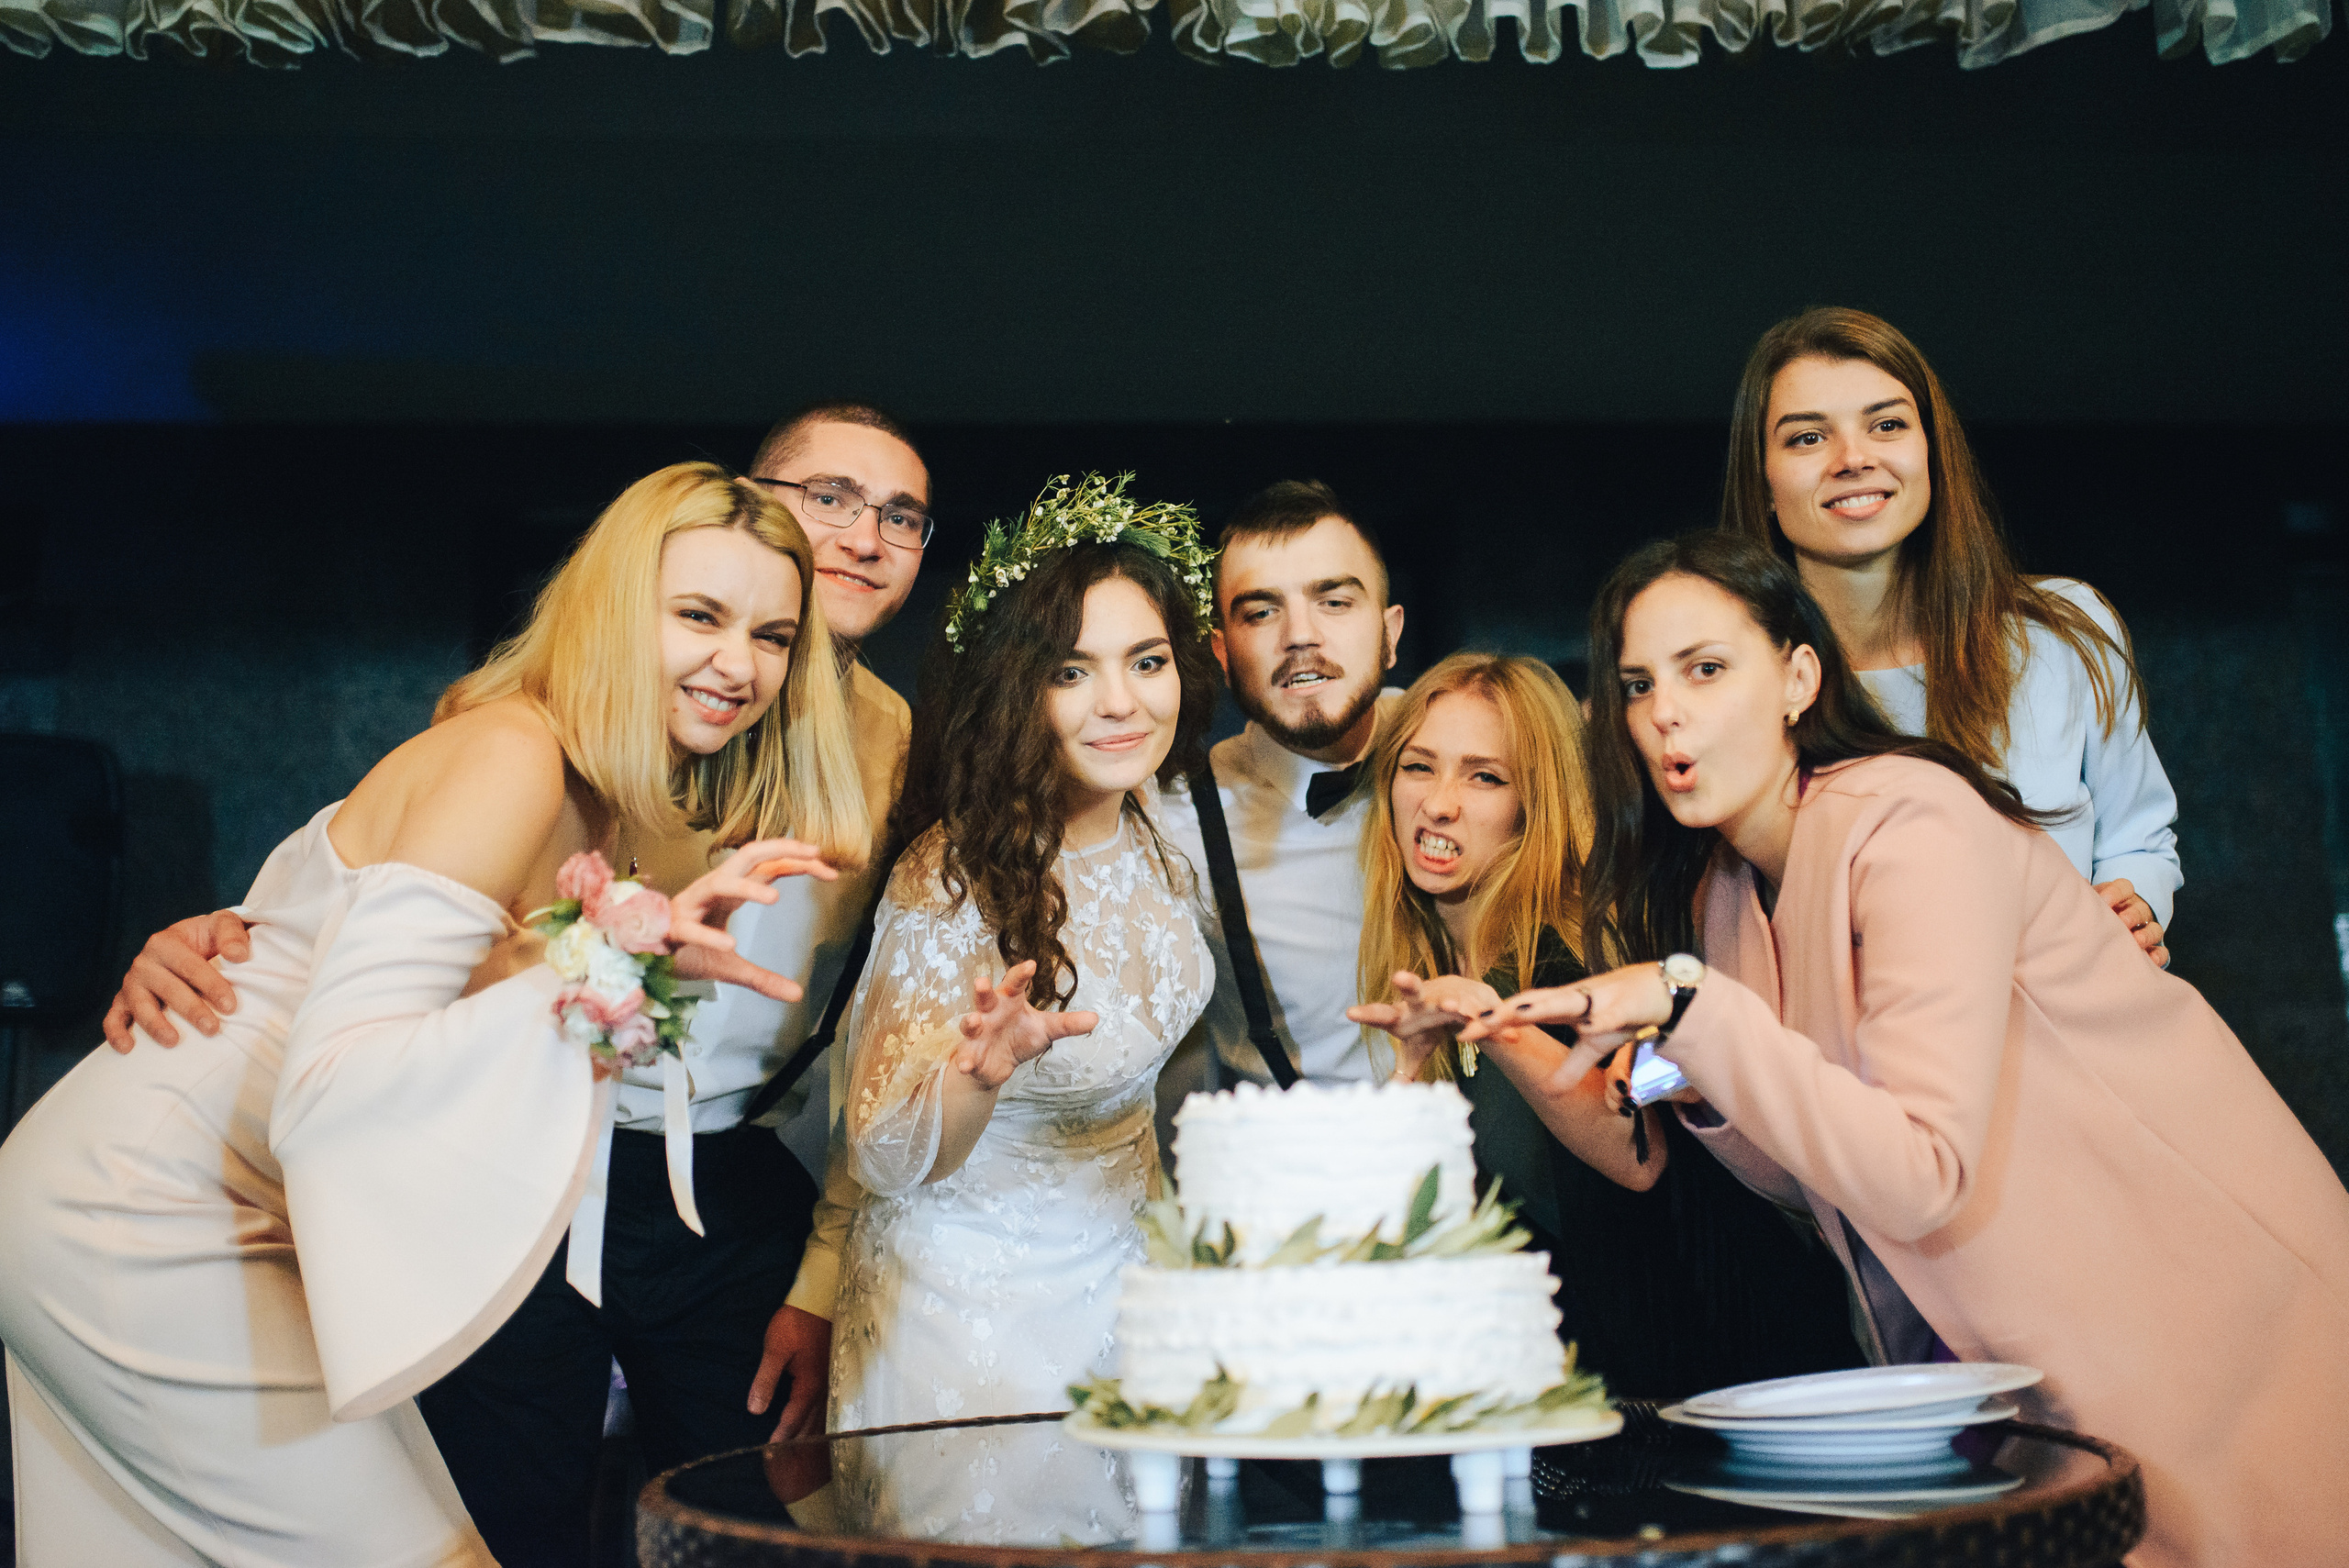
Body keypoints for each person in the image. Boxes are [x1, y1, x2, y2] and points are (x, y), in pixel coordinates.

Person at [94, 406, 932, 1564]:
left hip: (721, 1179)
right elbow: (394, 899)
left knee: (766, 1528)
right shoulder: (537, 720)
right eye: (828, 495)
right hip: (521, 1142)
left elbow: (898, 1012)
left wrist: (826, 1271)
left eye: (902, 514)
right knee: (504, 1510)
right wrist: (232, 938)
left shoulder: (910, 749)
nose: (864, 532)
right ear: (740, 509)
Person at [1470, 531, 2349, 1568]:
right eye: (1635, 682)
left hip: (2195, 1315)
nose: (1662, 710)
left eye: (1704, 668)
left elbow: (1918, 1171)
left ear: (1798, 676)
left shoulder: (1911, 822)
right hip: (2019, 1359)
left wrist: (1688, 1008)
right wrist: (1677, 1059)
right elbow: (1810, 1172)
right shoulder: (1722, 891)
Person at [826, 474, 1219, 1542]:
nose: (1123, 702)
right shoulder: (947, 874)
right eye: (1072, 671)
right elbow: (885, 1151)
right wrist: (974, 1074)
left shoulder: (1162, 840)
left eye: (1147, 662)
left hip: (1133, 1308)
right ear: (1018, 690)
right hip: (974, 1323)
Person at [1345, 653, 1861, 1397]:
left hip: (1739, 1389)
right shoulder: (1445, 969)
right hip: (1613, 1395)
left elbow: (1635, 1152)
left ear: (1536, 800)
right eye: (1419, 767)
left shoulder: (1572, 966)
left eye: (1485, 776)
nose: (1440, 803)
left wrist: (1494, 1022)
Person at [1721, 307, 2180, 965]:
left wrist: (2137, 904)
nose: (1854, 459)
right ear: (1761, 481)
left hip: (2070, 1038)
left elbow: (2140, 837)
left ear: (1931, 452)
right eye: (1806, 438)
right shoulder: (1734, 685)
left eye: (1887, 425)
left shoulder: (2065, 629)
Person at [1154, 479, 1407, 1106]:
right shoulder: (1173, 823)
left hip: (1501, 1179)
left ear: (1390, 631)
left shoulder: (1482, 753)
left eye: (1335, 601)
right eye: (1261, 611)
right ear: (1221, 651)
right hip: (1293, 1182)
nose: (1300, 635)